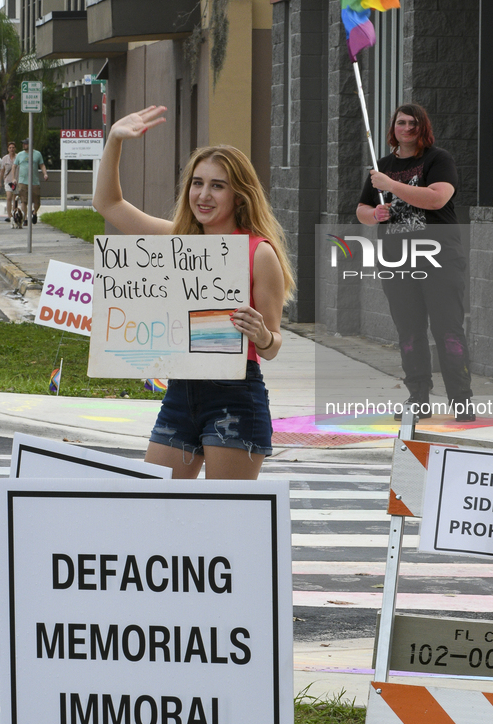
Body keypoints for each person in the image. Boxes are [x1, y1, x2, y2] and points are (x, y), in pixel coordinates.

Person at [93, 105, 295, 480]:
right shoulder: (178, 242)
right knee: (156, 508)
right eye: (197, 183)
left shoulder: (258, 252)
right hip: (180, 394)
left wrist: (263, 334)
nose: (203, 194)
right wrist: (115, 140)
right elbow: (108, 204)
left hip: (235, 397)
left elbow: (272, 346)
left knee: (224, 520)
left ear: (240, 196)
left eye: (217, 185)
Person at [356, 102, 474, 422]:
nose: (407, 128)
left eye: (413, 123)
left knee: (447, 328)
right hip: (397, 260)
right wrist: (375, 213)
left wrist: (391, 186)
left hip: (439, 258)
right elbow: (362, 210)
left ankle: (461, 399)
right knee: (409, 330)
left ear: (423, 128)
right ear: (393, 128)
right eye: (401, 123)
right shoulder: (382, 166)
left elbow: (437, 197)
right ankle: (418, 397)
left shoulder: (438, 160)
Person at [17, 137, 48, 224]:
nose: (23, 145)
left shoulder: (37, 154)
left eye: (25, 144)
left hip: (34, 181)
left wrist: (45, 173)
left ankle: (34, 212)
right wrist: (13, 178)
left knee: (37, 201)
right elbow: (14, 166)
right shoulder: (20, 155)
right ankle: (25, 218)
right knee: (23, 200)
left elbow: (42, 165)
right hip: (22, 181)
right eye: (23, 143)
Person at [0, 141, 19, 223]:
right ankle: (9, 215)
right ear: (8, 149)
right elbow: (2, 170)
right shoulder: (4, 158)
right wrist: (0, 181)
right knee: (9, 197)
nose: (11, 149)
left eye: (13, 147)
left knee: (15, 198)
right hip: (8, 180)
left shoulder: (18, 157)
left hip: (16, 180)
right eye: (10, 148)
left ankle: (15, 214)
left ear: (15, 148)